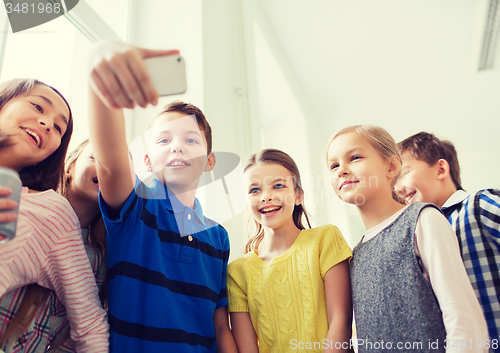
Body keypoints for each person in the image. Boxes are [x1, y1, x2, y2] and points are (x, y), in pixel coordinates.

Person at [88, 41, 236, 352]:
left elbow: (220, 324)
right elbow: (111, 164)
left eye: (191, 140)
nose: (177, 147)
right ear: (146, 161)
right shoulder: (137, 206)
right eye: (164, 139)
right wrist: (102, 73)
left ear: (209, 163)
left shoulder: (219, 236)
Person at [326, 125, 488, 353]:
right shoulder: (356, 254)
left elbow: (463, 320)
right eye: (333, 165)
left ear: (391, 167)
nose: (341, 170)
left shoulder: (423, 219)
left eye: (354, 157)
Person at [0, 79, 108, 352]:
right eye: (37, 106)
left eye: (59, 127)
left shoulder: (50, 214)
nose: (47, 123)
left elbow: (90, 324)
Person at [226, 149, 352, 353]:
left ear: (298, 196)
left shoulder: (325, 240)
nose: (266, 196)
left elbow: (341, 321)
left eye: (278, 186)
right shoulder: (237, 272)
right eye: (254, 190)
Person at [396, 131, 500, 351]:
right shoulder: (419, 237)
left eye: (404, 173)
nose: (398, 188)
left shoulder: (479, 205)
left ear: (441, 169)